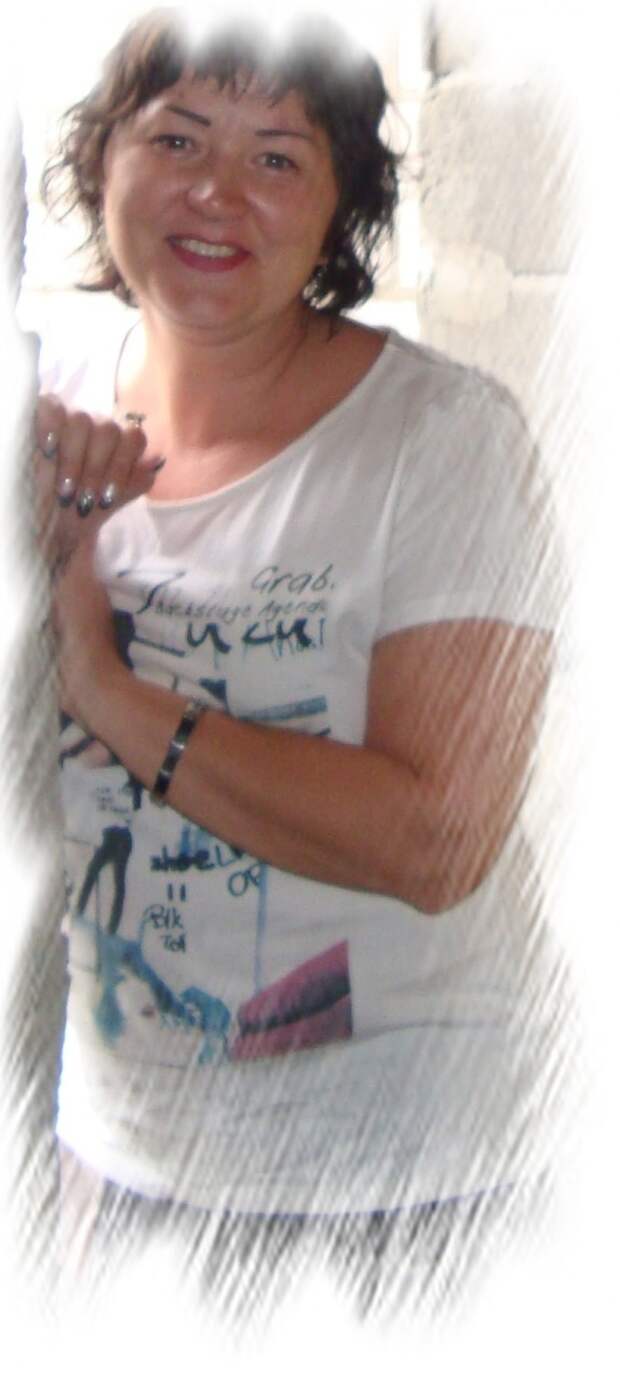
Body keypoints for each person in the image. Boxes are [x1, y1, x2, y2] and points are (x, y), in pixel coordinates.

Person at [33, 8, 561, 1289]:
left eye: (276, 157)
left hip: (410, 1182)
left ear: (340, 210)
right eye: (176, 138)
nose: (216, 191)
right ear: (101, 161)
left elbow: (435, 839)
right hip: (125, 1155)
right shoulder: (44, 432)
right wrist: (38, 561)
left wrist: (104, 682)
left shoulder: (441, 438)